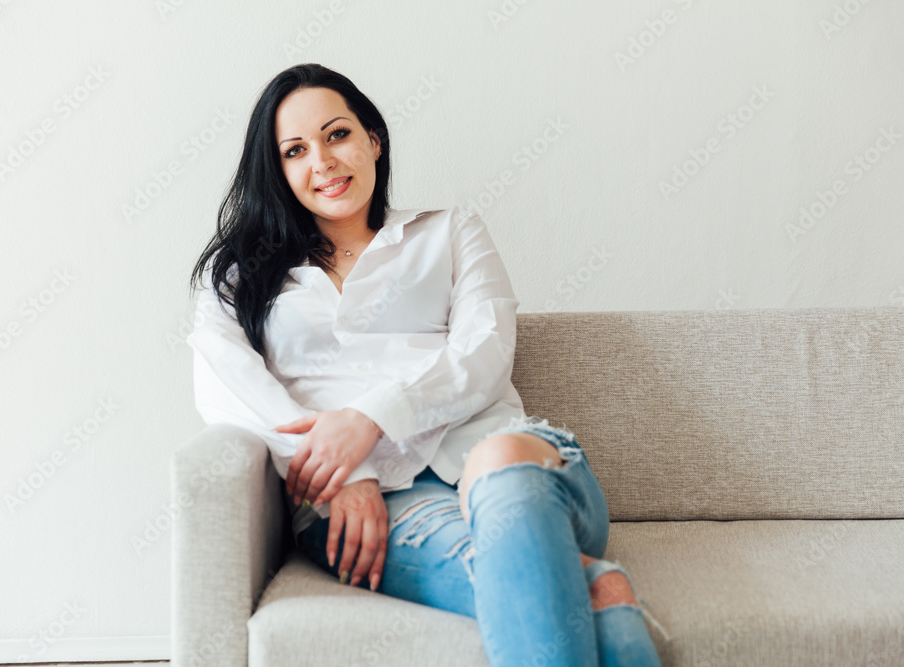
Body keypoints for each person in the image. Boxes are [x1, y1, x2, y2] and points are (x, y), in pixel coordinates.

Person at [186, 62, 664, 666]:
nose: (323, 162)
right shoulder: (238, 274)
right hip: (373, 501)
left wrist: (370, 419)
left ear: (373, 140)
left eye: (337, 135)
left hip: (511, 463)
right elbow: (226, 385)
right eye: (295, 150)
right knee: (592, 588)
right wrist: (346, 471)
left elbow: (485, 352)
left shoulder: (451, 231)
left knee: (501, 460)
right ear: (277, 170)